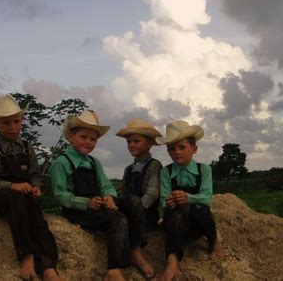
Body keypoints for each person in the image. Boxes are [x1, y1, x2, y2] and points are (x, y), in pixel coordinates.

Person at [50, 110, 154, 281]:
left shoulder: (93, 162)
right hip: (77, 209)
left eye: (93, 139)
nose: (89, 142)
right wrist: (85, 203)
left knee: (133, 201)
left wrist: (109, 197)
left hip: (97, 205)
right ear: (70, 137)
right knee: (117, 219)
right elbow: (61, 196)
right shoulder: (61, 163)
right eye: (84, 137)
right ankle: (113, 270)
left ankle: (136, 251)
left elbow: (106, 185)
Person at [0, 94, 62, 281]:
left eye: (16, 121)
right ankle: (27, 257)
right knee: (17, 199)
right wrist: (12, 186)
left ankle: (49, 267)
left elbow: (34, 174)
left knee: (37, 216)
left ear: (21, 120)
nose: (13, 127)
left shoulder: (26, 147)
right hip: (2, 197)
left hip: (25, 194)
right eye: (7, 123)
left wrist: (36, 187)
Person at [156, 120, 223, 281]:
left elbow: (207, 198)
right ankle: (172, 260)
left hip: (197, 221)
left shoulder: (204, 170)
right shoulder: (166, 172)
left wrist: (188, 197)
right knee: (174, 213)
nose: (177, 152)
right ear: (168, 151)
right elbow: (163, 200)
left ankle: (214, 242)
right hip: (176, 222)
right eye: (172, 148)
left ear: (194, 149)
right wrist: (169, 202)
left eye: (182, 147)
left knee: (201, 208)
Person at [116, 119, 163, 230]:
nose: (131, 145)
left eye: (136, 141)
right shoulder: (128, 169)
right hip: (128, 213)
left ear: (149, 144)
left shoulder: (154, 165)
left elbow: (152, 194)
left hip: (146, 215)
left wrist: (134, 212)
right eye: (129, 142)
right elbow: (124, 192)